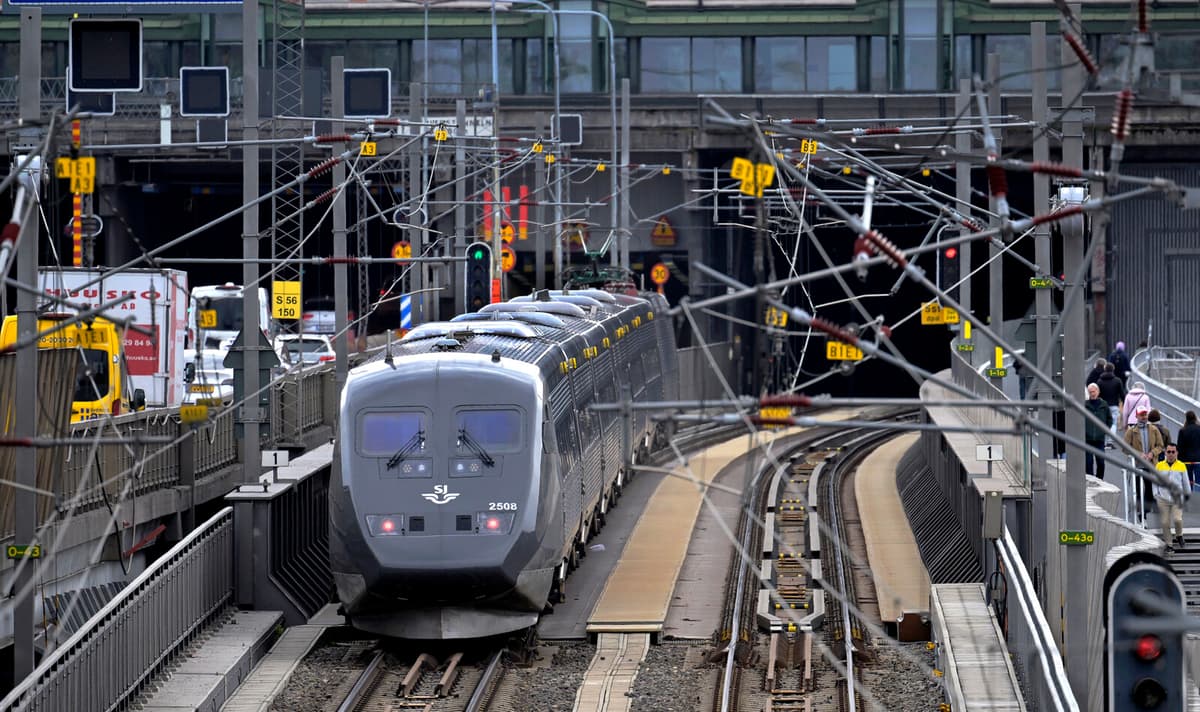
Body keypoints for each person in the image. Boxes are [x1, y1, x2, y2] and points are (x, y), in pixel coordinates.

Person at [1154, 443, 1190, 551]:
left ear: (1176, 453)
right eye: (1168, 452)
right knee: (1165, 522)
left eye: (1173, 452)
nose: (1170, 454)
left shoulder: (1181, 465)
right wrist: (1156, 493)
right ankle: (1169, 544)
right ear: (1165, 453)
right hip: (1163, 498)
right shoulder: (1159, 465)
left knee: (1177, 519)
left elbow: (1186, 482)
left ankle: (1179, 535)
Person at [1084, 383, 1113, 479]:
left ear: (1098, 391)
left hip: (1099, 439)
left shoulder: (1104, 405)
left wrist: (1104, 430)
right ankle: (1090, 480)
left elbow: (1109, 419)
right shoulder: (1085, 405)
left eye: (1094, 391)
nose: (1092, 394)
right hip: (1087, 439)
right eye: (1090, 392)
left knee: (1100, 461)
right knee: (1088, 462)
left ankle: (1100, 479)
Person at [1095, 363, 1125, 444]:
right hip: (1114, 405)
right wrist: (1124, 402)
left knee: (1104, 423)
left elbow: (1097, 394)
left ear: (1105, 369)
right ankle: (1110, 441)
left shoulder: (1099, 381)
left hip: (1103, 405)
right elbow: (1122, 394)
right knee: (1113, 423)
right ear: (1113, 370)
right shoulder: (1117, 381)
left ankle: (1104, 440)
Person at [1178, 410, 1200, 491]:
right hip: (1199, 459)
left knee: (1188, 482)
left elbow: (1180, 447)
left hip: (1186, 460)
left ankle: (1189, 499)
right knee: (1198, 482)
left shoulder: (1183, 430)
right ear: (1195, 418)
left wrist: (1179, 460)